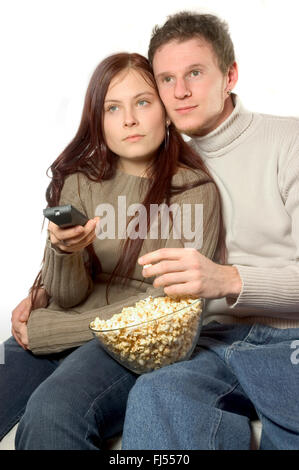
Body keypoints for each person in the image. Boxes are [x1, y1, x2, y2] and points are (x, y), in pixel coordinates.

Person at [0, 52, 222, 449]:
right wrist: (62, 252)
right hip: (68, 324)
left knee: (52, 411)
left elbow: (166, 315)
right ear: (98, 122)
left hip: (132, 345)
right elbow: (68, 296)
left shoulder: (193, 192)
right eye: (112, 108)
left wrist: (49, 331)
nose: (129, 120)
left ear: (166, 112)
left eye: (142, 102)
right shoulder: (80, 183)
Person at [121, 12, 299, 450]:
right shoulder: (159, 165)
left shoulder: (288, 142)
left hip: (292, 336)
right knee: (157, 394)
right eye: (166, 79)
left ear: (230, 75)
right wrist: (44, 293)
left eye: (195, 73)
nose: (180, 92)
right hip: (213, 342)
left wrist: (228, 279)